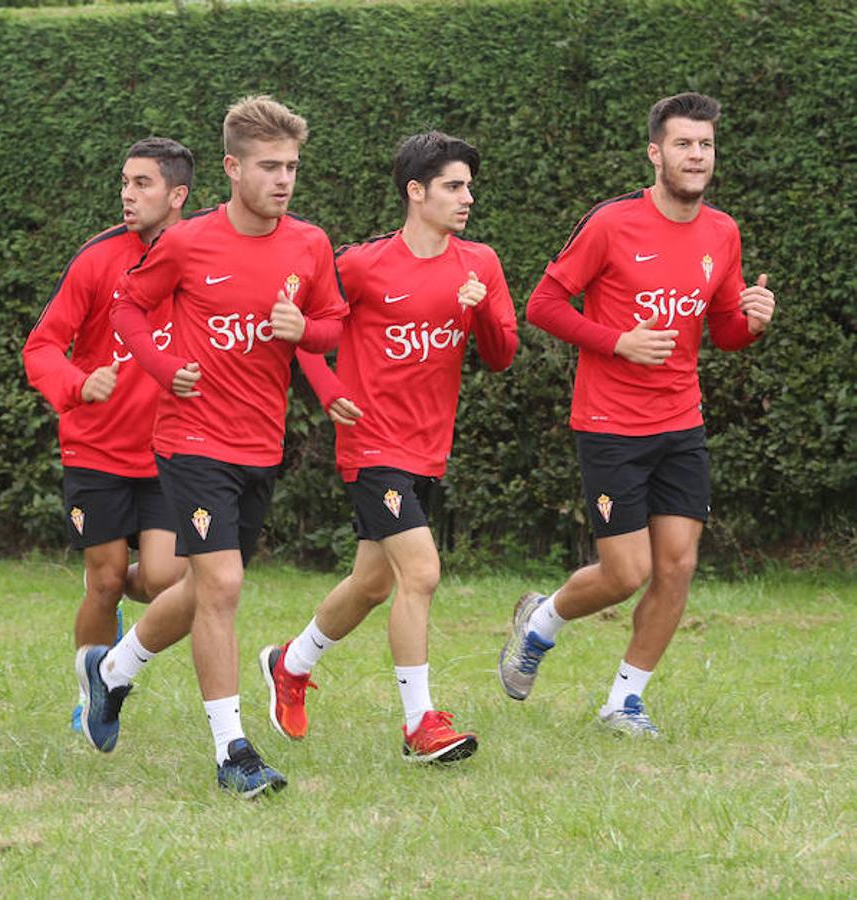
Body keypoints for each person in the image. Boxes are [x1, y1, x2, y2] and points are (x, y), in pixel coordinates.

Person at [76, 95, 347, 798]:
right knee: (223, 585)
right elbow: (127, 306)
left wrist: (304, 331)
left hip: (261, 442)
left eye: (291, 166)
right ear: (232, 167)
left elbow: (334, 325)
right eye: (268, 166)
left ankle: (111, 673)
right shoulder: (189, 242)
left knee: (201, 586)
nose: (283, 179)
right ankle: (233, 751)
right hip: (191, 438)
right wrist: (165, 371)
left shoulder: (310, 245)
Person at [498, 92, 775, 736]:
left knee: (677, 565)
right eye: (683, 144)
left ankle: (624, 700)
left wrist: (752, 322)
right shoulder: (611, 224)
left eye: (705, 145)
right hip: (609, 424)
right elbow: (543, 304)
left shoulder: (722, 231)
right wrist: (616, 340)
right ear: (656, 153)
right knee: (626, 573)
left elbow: (726, 330)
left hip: (681, 421)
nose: (696, 155)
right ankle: (541, 622)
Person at [263, 131, 517, 762]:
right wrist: (326, 389)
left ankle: (290, 665)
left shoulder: (479, 263)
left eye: (468, 186)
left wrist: (480, 310)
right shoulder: (361, 265)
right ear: (416, 191)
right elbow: (302, 328)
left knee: (372, 584)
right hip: (371, 445)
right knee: (423, 572)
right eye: (454, 186)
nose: (468, 198)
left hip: (428, 448)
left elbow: (502, 354)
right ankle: (419, 724)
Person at [22, 138, 193, 730]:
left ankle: (114, 664)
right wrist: (76, 383)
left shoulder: (203, 258)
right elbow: (40, 349)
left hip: (170, 451)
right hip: (95, 448)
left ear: (178, 195)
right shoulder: (97, 260)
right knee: (103, 579)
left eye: (142, 183)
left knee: (169, 579)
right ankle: (90, 697)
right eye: (125, 181)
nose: (127, 193)